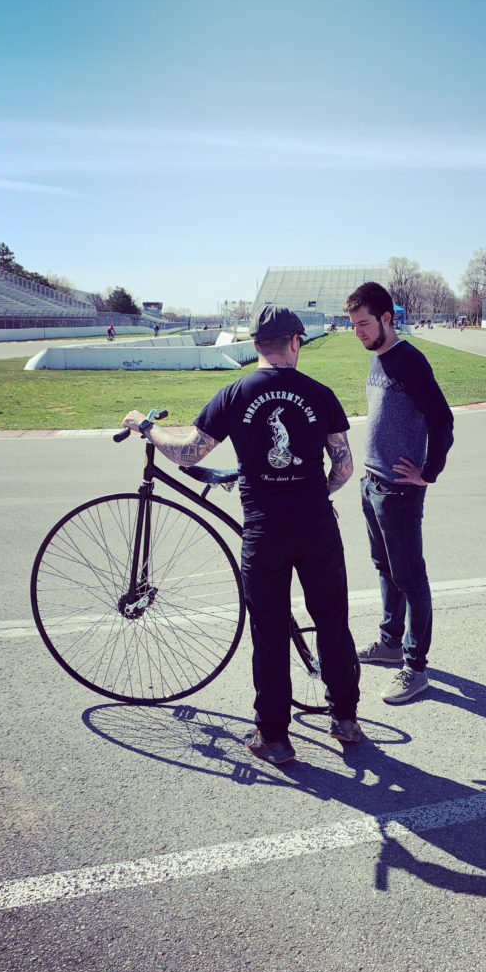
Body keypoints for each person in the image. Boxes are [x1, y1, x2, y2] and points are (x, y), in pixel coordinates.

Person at [122, 304, 360, 764]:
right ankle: (345, 719)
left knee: (268, 632)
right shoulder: (321, 393)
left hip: (265, 532)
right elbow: (344, 467)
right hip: (316, 526)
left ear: (254, 345)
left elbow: (189, 453)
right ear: (296, 342)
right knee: (332, 620)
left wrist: (147, 428)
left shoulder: (234, 393)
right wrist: (314, 492)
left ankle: (273, 737)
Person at [343, 282, 454, 704]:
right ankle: (390, 643)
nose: (358, 332)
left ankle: (415, 667)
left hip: (399, 491)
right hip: (371, 484)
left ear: (388, 318)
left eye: (364, 324)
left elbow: (442, 420)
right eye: (353, 325)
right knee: (385, 569)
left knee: (410, 578)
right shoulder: (377, 358)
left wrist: (429, 472)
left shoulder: (409, 361)